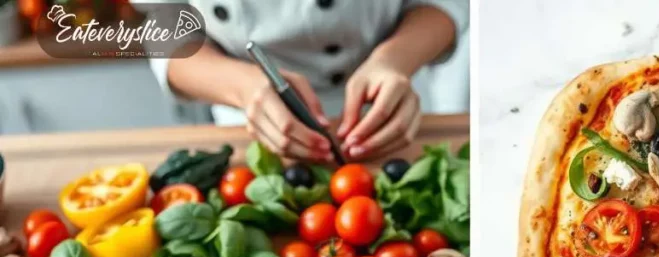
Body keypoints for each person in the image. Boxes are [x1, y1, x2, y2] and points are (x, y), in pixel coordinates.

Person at [148, 0, 467, 162]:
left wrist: (394, 61)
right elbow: (163, 19)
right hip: (248, 125)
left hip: (390, 110)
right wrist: (243, 87)